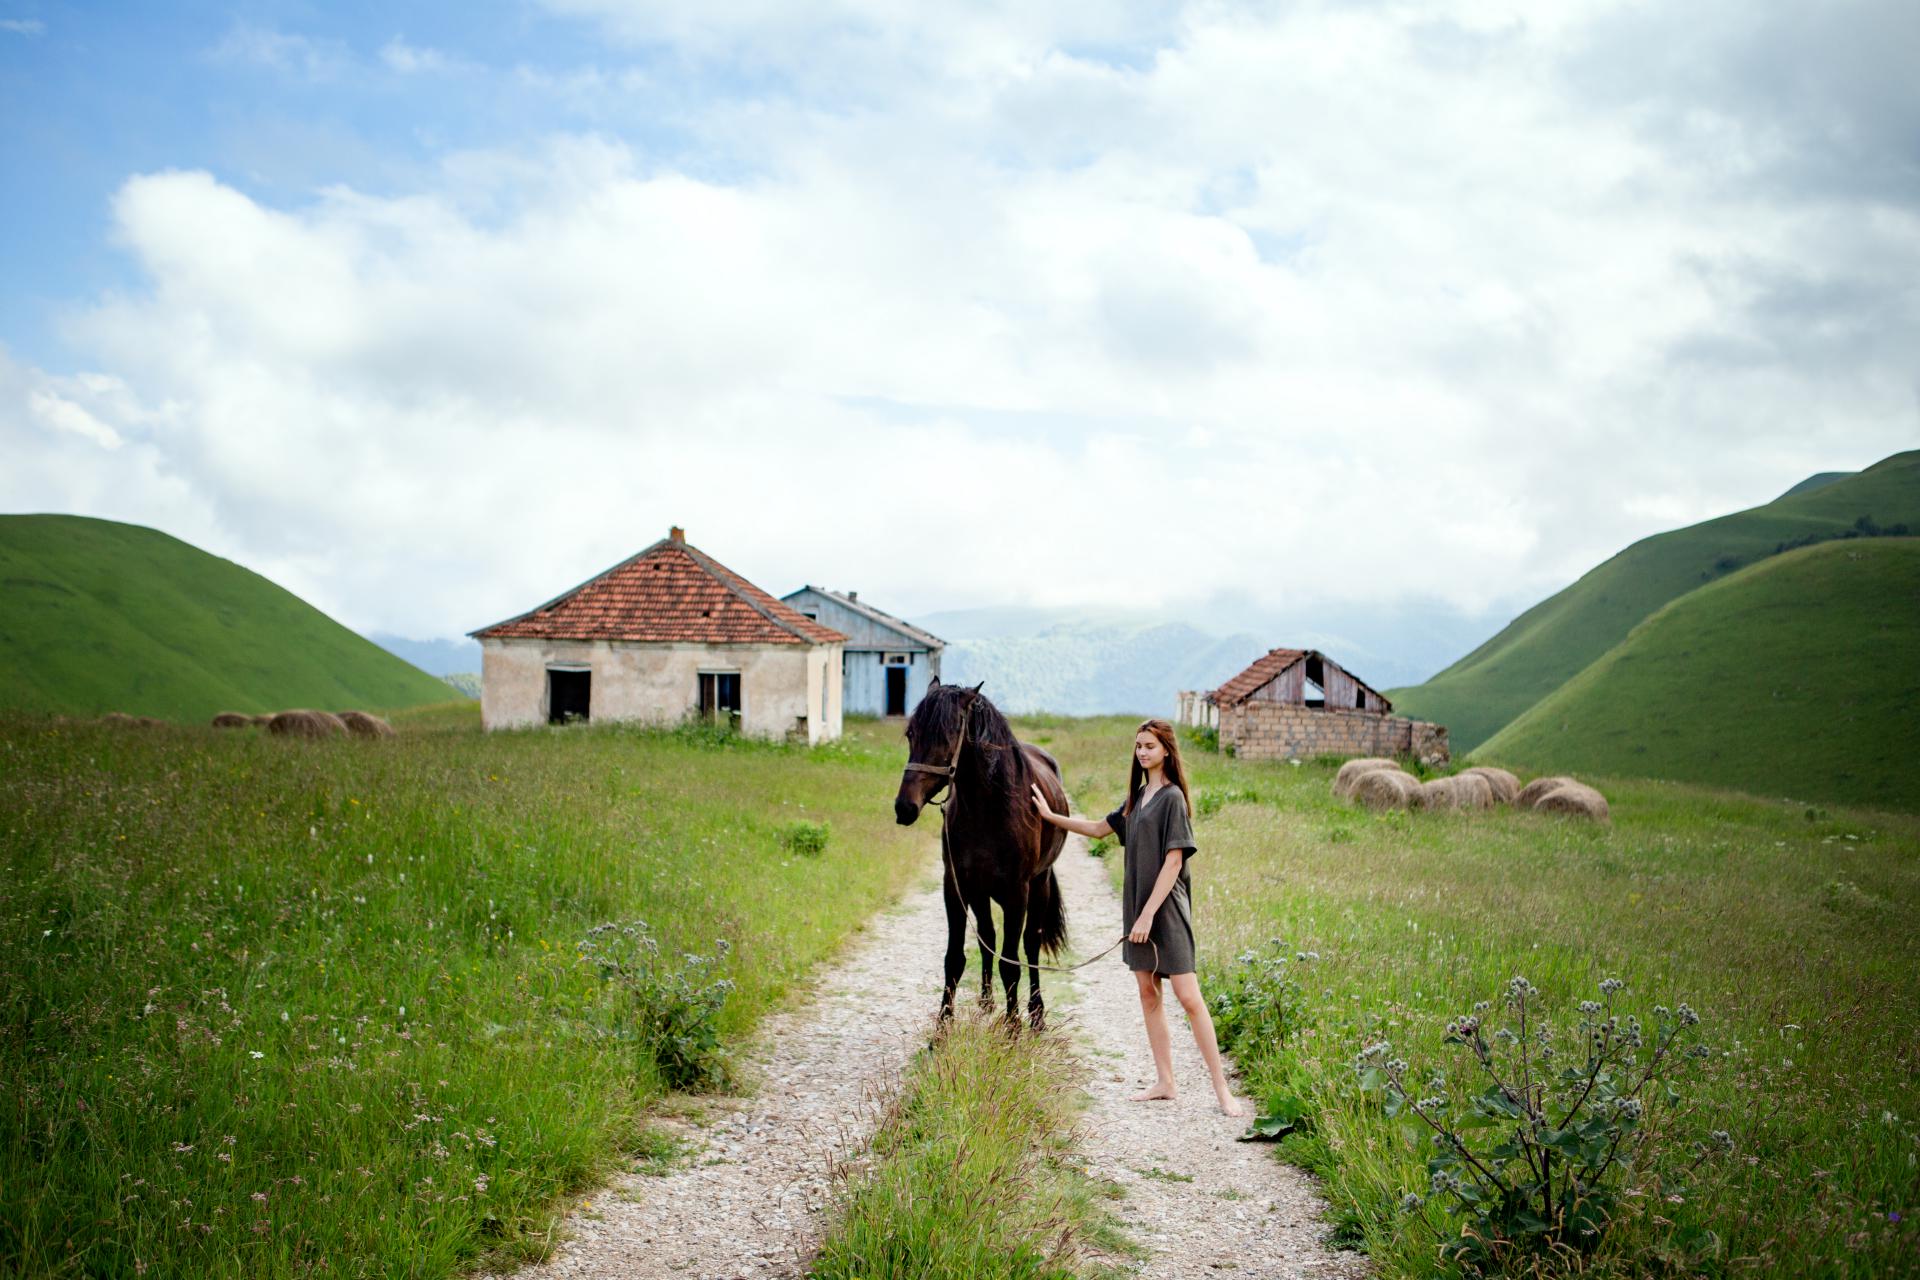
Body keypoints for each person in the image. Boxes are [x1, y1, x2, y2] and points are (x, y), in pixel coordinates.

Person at [1031, 719, 1246, 1116]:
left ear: (1166, 749)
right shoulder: (1138, 797)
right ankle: (1165, 1081)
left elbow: (1174, 860)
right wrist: (1049, 816)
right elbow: (1098, 829)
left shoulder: (1173, 798)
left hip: (1166, 911)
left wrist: (1147, 914)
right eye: (1138, 746)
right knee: (1149, 995)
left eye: (1149, 745)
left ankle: (1223, 1091)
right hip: (1138, 912)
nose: (1142, 752)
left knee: (1189, 998)